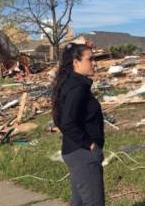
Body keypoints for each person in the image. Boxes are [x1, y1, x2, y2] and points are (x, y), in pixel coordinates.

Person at [52, 43, 105, 206]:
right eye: (90, 59)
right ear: (76, 62)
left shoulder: (68, 83)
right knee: (94, 202)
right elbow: (67, 122)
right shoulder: (78, 87)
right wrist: (89, 145)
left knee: (79, 202)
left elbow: (59, 120)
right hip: (82, 154)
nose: (94, 63)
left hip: (74, 151)